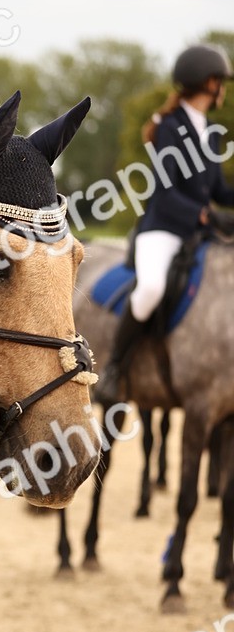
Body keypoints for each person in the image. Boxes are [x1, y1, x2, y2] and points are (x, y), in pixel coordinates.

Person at [95, 43, 234, 407]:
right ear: (208, 83)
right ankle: (113, 367)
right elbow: (165, 190)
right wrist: (204, 215)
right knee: (152, 288)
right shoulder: (170, 127)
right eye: (221, 81)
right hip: (163, 228)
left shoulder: (213, 132)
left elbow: (218, 189)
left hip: (196, 233)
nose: (224, 89)